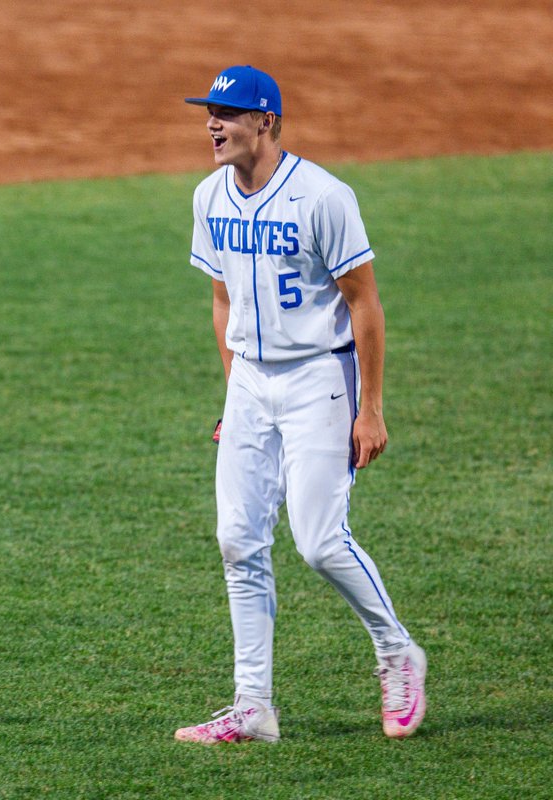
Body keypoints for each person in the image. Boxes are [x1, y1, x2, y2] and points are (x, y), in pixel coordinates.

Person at [175, 66, 426, 743]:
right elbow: (223, 299)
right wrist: (234, 395)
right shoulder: (209, 197)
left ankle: (397, 650)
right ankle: (252, 705)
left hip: (321, 378)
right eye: (210, 112)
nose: (213, 123)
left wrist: (369, 408)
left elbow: (363, 303)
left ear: (268, 122)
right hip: (251, 384)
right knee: (237, 539)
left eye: (228, 113)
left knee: (317, 542)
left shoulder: (323, 196)